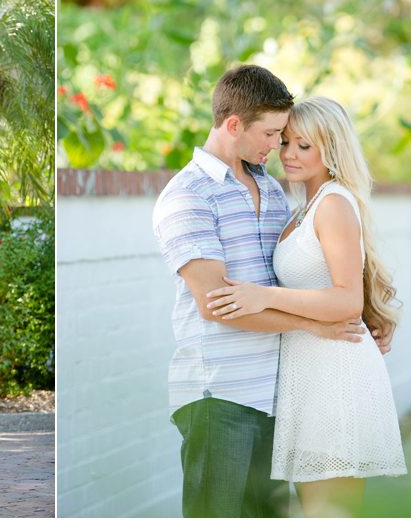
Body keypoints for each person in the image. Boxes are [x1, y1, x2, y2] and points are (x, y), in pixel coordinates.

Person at [152, 66, 371, 518]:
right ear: (234, 125)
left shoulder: (272, 191)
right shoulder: (188, 196)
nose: (279, 145)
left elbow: (309, 270)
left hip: (278, 396)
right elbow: (218, 307)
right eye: (272, 134)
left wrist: (373, 315)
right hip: (220, 398)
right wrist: (319, 326)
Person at [207, 96, 407, 517]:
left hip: (334, 377)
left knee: (328, 511)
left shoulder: (333, 203)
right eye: (285, 142)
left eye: (304, 145)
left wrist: (265, 295)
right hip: (307, 374)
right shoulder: (302, 208)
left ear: (330, 150)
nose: (288, 155)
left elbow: (346, 298)